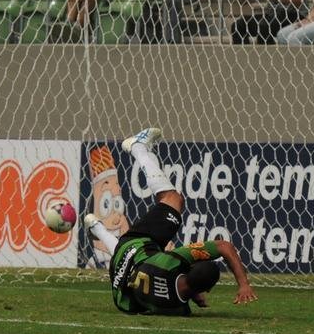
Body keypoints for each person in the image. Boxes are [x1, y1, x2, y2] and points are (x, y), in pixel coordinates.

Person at [85, 127, 256, 316]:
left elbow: (224, 246)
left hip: (134, 246)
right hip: (121, 292)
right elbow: (175, 290)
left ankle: (138, 147)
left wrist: (244, 285)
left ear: (188, 267)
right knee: (129, 256)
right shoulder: (179, 309)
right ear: (204, 290)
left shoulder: (173, 261)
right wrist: (192, 292)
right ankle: (96, 227)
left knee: (173, 199)